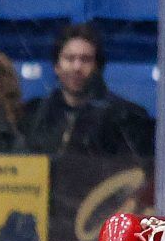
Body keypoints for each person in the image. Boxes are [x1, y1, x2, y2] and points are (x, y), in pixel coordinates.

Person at [20, 23, 152, 161]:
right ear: (56, 66)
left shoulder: (126, 117)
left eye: (86, 60)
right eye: (69, 58)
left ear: (98, 67)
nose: (77, 67)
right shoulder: (33, 115)